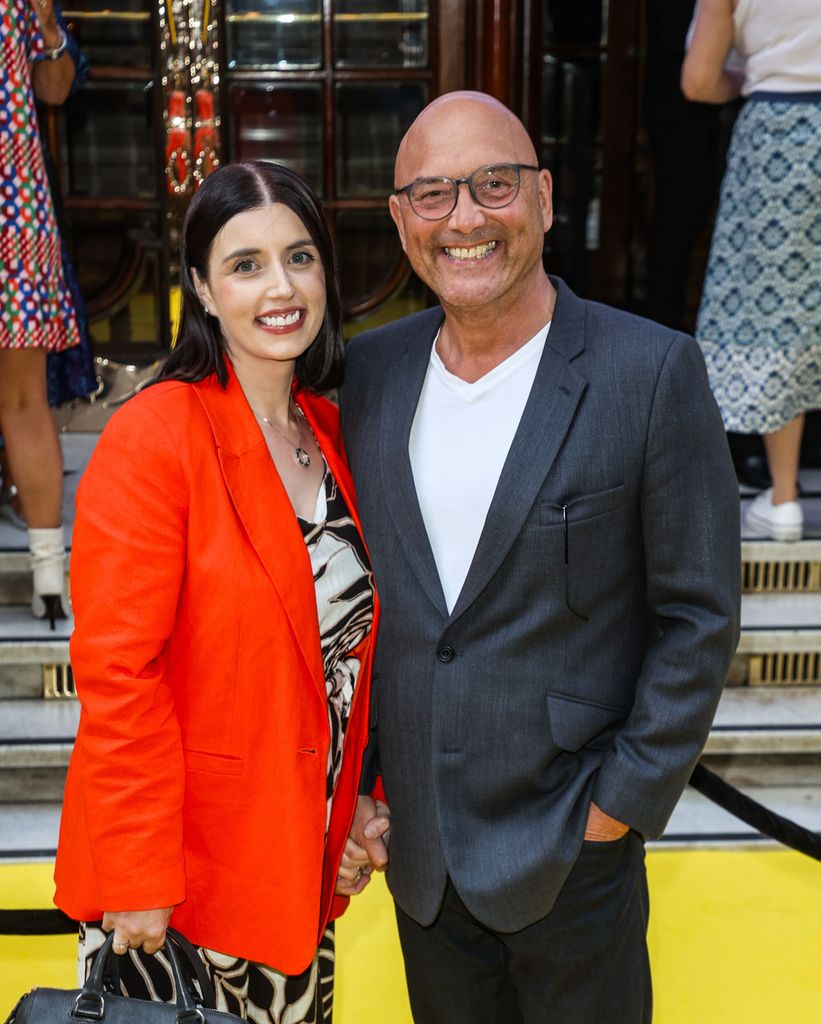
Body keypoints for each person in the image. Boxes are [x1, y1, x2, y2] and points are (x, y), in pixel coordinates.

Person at [339, 91, 741, 1023]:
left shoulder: (651, 373)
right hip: (423, 862)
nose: (466, 218)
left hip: (574, 852)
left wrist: (617, 811)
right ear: (401, 223)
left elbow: (698, 615)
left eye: (493, 184)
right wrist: (357, 791)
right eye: (433, 195)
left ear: (546, 199)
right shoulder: (369, 374)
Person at [53, 161, 379, 1024]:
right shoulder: (155, 437)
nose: (281, 287)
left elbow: (338, 665)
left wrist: (352, 810)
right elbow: (119, 676)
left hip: (294, 874)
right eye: (246, 264)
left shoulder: (334, 434)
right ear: (200, 286)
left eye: (299, 257)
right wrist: (136, 877)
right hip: (179, 889)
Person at [682, 0, 821, 541]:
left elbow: (698, 81)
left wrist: (750, 77)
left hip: (778, 131)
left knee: (774, 308)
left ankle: (784, 498)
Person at [0, 0, 81, 625]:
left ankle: (49, 574)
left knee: (23, 399)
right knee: (22, 402)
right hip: (16, 204)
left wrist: (49, 24)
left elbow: (54, 88)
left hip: (14, 208)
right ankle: (49, 576)